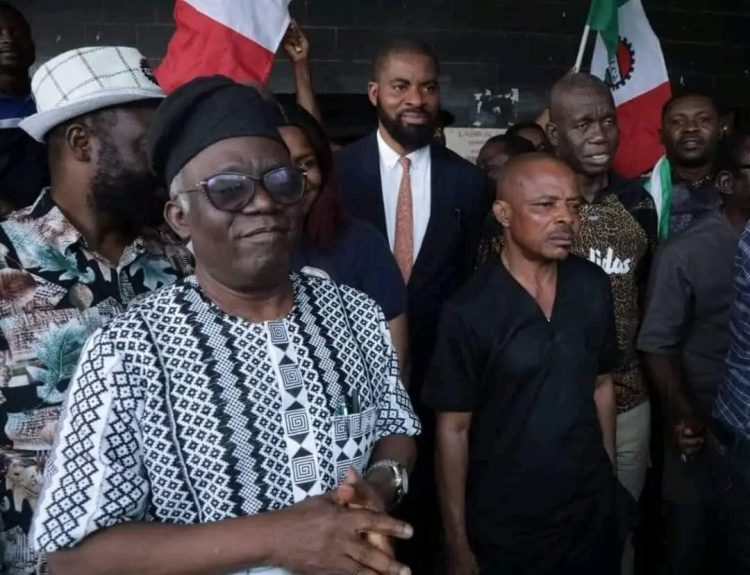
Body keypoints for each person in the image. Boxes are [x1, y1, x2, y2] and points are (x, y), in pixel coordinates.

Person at [32, 76, 421, 575]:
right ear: (179, 217)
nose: (263, 203)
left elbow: (398, 430)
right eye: (229, 189)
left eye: (282, 182)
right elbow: (72, 556)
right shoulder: (127, 351)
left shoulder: (356, 314)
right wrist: (275, 538)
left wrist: (380, 485)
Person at [0, 46, 193, 574]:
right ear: (82, 143)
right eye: (146, 144)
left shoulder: (181, 257)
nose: (163, 164)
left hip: (179, 556)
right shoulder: (6, 264)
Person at [334, 37, 491, 572]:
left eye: (427, 86)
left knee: (428, 500)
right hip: (349, 379)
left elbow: (470, 278)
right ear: (375, 93)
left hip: (439, 378)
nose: (416, 99)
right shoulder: (336, 175)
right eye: (401, 86)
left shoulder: (469, 183)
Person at [425, 153, 621, 575]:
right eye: (545, 205)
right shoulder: (470, 310)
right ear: (503, 214)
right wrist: (456, 539)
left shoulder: (591, 286)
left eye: (573, 205)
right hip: (508, 523)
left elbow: (601, 384)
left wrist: (609, 480)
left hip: (589, 512)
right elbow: (453, 428)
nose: (565, 218)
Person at [546, 73, 656, 574]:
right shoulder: (532, 206)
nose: (599, 135)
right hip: (546, 405)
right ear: (554, 134)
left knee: (616, 529)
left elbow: (647, 294)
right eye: (583, 123)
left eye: (608, 121)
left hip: (628, 397)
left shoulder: (638, 203)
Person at [638, 132, 750, 574]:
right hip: (702, 422)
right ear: (726, 183)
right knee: (690, 546)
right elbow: (656, 344)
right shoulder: (683, 253)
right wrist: (684, 416)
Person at [277, 100, 411, 385]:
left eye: (307, 164)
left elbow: (393, 366)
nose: (297, 180)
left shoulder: (361, 242)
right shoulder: (233, 249)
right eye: (280, 167)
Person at [648, 93, 723, 240]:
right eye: (677, 122)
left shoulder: (739, 187)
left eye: (703, 120)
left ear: (721, 130)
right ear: (661, 135)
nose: (690, 128)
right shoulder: (642, 192)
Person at [0, 2, 48, 215]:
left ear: (32, 47)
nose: (8, 39)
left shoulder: (53, 101)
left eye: (16, 33)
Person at [474, 134, 535, 266]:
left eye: (489, 168)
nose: (478, 174)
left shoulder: (537, 219)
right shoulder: (476, 211)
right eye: (478, 166)